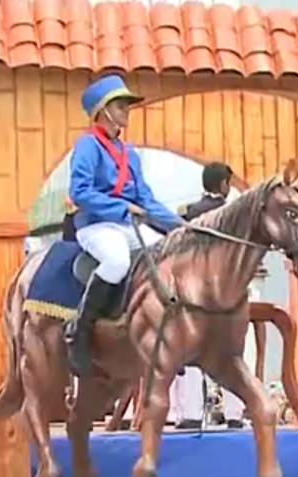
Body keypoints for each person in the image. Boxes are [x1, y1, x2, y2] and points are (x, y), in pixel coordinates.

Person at [66, 74, 183, 374]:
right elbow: (80, 192)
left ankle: (161, 333)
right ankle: (80, 333)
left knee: (164, 255)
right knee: (117, 261)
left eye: (126, 105)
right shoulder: (87, 146)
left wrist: (178, 225)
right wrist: (120, 207)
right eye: (120, 105)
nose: (126, 110)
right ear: (102, 110)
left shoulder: (129, 154)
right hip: (96, 225)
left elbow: (146, 198)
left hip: (127, 224)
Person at [169, 162, 246, 430]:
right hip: (226, 292)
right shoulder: (234, 215)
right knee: (233, 353)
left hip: (193, 293)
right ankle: (235, 415)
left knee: (189, 352)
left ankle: (189, 413)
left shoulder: (186, 213)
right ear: (224, 184)